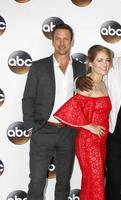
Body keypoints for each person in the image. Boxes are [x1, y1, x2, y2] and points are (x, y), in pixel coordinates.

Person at [77, 33, 121, 200]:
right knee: (114, 181)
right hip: (114, 135)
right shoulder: (112, 65)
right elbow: (93, 74)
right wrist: (79, 79)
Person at [22, 23, 86, 200]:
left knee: (64, 183)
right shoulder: (38, 67)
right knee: (36, 182)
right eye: (58, 38)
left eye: (66, 39)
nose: (62, 43)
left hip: (69, 133)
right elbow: (28, 98)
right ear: (52, 41)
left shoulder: (82, 68)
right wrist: (30, 127)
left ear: (72, 41)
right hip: (43, 130)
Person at [53, 45, 113, 200]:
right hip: (88, 142)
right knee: (96, 183)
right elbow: (69, 110)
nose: (104, 64)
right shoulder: (88, 84)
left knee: (91, 183)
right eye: (99, 60)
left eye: (107, 60)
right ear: (90, 63)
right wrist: (88, 125)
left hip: (101, 141)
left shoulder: (103, 83)